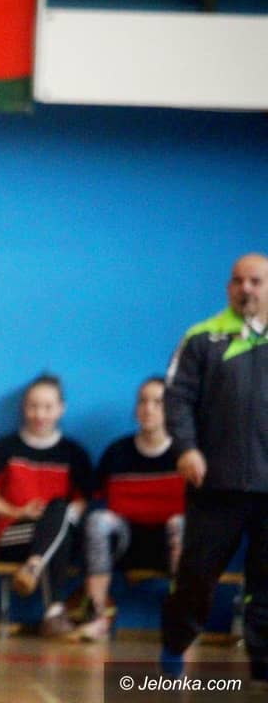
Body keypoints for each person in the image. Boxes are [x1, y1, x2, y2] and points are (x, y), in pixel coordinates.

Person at [159, 252, 268, 681]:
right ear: (228, 288)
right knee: (195, 581)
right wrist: (186, 448)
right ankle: (173, 650)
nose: (246, 288)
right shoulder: (202, 338)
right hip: (215, 486)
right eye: (238, 281)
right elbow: (177, 398)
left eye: (256, 281)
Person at [0, 373, 93, 637]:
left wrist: (55, 517)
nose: (40, 414)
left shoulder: (74, 454)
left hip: (56, 533)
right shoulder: (4, 449)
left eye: (48, 407)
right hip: (11, 536)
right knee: (60, 528)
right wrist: (19, 511)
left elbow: (82, 504)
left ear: (61, 409)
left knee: (59, 510)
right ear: (24, 408)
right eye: (33, 406)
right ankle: (53, 611)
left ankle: (35, 567)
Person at [75, 376, 183, 642]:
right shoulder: (117, 452)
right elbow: (91, 499)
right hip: (125, 545)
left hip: (169, 546)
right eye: (143, 401)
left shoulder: (185, 455)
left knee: (182, 523)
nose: (148, 408)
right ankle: (97, 615)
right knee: (97, 520)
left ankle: (183, 621)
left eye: (157, 402)